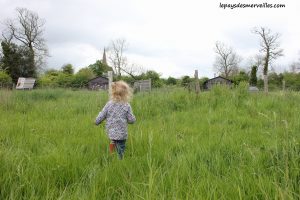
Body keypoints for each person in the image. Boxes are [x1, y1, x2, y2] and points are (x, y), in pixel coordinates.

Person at [95, 81, 136, 159]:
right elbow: (131, 120)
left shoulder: (109, 104)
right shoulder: (126, 105)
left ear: (113, 92)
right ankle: (120, 160)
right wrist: (133, 119)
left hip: (111, 131)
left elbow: (102, 114)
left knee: (113, 141)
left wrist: (97, 121)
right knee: (121, 147)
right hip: (121, 133)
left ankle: (111, 155)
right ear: (126, 94)